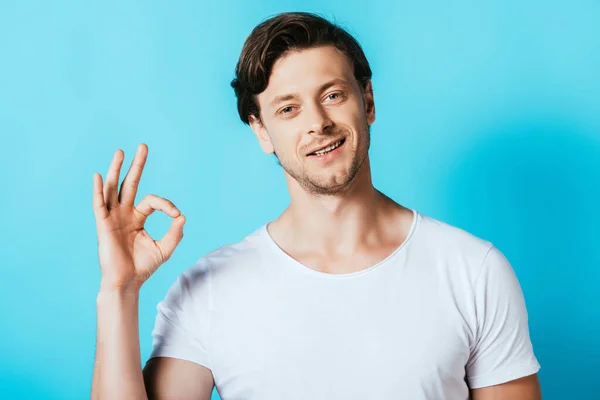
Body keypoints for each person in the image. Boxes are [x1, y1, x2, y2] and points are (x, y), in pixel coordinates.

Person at [90, 11, 541, 400]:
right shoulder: (208, 291)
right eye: (288, 109)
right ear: (261, 131)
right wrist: (119, 291)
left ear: (367, 102)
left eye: (332, 95)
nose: (318, 124)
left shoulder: (472, 270)